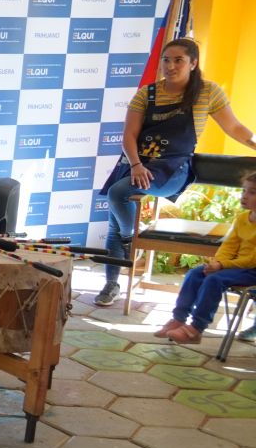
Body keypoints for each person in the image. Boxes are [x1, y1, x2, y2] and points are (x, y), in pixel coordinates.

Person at [97, 38, 256, 307]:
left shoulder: (208, 92)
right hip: (137, 161)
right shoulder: (146, 93)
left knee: (118, 193)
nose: (170, 66)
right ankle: (112, 282)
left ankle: (129, 239)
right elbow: (129, 135)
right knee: (115, 216)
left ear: (193, 63)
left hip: (172, 168)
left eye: (178, 60)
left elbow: (235, 128)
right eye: (166, 60)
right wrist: (136, 164)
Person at [155, 172, 256, 344]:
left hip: (252, 270)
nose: (244, 196)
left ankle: (195, 329)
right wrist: (217, 262)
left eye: (252, 192)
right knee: (196, 273)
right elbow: (229, 246)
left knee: (214, 280)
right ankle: (178, 319)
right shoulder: (242, 218)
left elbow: (252, 260)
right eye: (244, 190)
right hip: (234, 267)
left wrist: (222, 265)